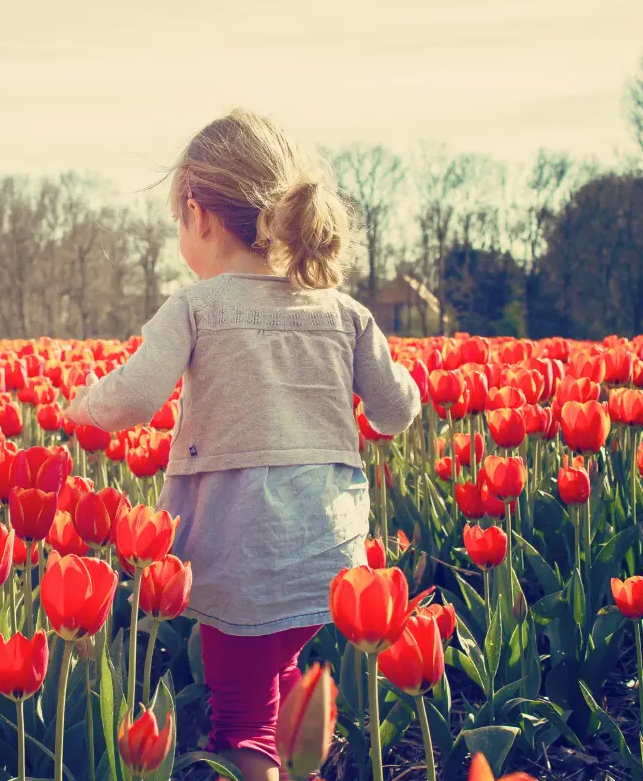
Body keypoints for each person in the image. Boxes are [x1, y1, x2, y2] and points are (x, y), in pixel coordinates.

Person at [66, 109, 421, 781]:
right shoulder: (344, 312)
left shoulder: (198, 307)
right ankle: (305, 766)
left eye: (179, 221)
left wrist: (82, 403)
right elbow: (397, 409)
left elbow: (135, 398)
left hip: (241, 545)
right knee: (285, 670)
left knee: (243, 717)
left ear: (198, 215)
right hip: (330, 551)